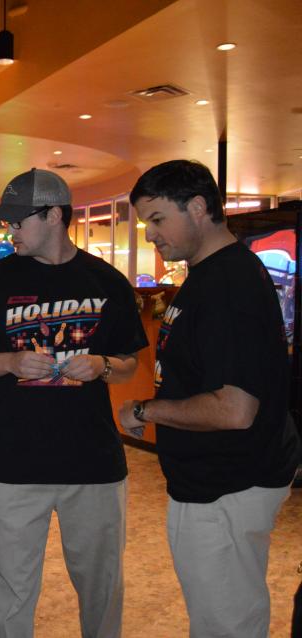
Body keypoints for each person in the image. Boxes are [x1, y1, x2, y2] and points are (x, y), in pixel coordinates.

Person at [0, 168, 147, 638]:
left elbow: (129, 364)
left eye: (18, 221)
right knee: (12, 595)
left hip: (94, 465)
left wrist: (102, 367)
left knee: (101, 589)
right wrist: (10, 363)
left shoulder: (108, 282)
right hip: (17, 465)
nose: (9, 231)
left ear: (54, 215)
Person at [118, 159, 301, 637]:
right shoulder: (209, 274)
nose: (150, 235)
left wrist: (145, 410)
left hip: (227, 488)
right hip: (220, 484)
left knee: (227, 625)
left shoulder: (228, 284)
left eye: (157, 219)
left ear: (198, 207)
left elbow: (234, 408)